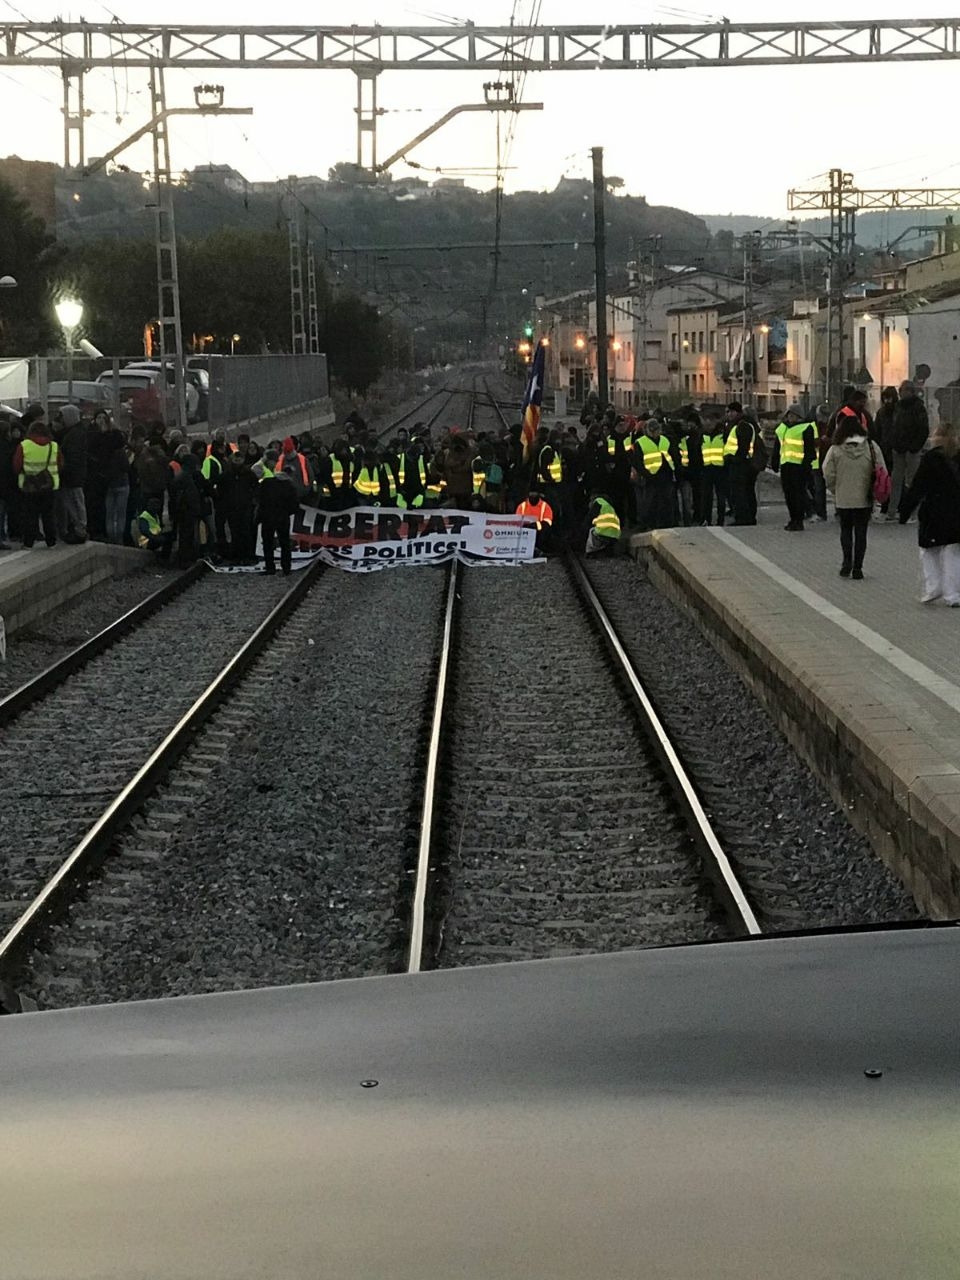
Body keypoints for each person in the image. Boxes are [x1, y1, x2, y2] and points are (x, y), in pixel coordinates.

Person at [898, 421, 960, 605]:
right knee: (953, 553)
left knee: (928, 551)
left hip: (934, 512)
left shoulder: (931, 459)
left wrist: (905, 511)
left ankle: (934, 587)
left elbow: (918, 487)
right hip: (956, 512)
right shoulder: (957, 457)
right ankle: (953, 594)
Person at [822, 413, 886, 579]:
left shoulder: (835, 449)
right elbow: (882, 470)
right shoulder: (871, 446)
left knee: (845, 530)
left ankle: (846, 563)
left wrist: (835, 489)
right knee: (861, 532)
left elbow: (827, 472)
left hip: (843, 498)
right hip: (864, 497)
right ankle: (858, 568)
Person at [12, 405, 60, 549]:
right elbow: (61, 463)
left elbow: (17, 465)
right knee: (48, 514)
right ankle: (51, 541)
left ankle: (29, 542)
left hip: (29, 485)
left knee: (30, 515)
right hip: (49, 485)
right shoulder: (53, 445)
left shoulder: (24, 445)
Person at [887, 379, 929, 520]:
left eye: (904, 391)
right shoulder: (898, 406)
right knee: (896, 481)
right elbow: (894, 426)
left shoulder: (918, 407)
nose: (901, 394)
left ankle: (914, 512)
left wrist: (915, 447)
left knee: (913, 482)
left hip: (912, 449)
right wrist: (894, 443)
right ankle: (892, 511)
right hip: (899, 449)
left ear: (910, 391)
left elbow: (923, 429)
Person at [772, 403, 816, 532]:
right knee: (788, 494)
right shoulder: (782, 428)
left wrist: (806, 465)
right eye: (789, 415)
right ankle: (793, 519)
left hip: (799, 466)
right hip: (786, 465)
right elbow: (777, 446)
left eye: (793, 415)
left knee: (798, 494)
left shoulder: (805, 428)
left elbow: (809, 450)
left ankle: (799, 520)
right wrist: (775, 461)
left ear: (799, 416)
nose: (791, 417)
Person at [257, 447, 300, 575]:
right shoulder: (287, 483)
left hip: (271, 515)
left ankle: (273, 568)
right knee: (282, 542)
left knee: (271, 542)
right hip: (280, 516)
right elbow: (294, 502)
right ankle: (285, 568)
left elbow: (260, 499)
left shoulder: (267, 480)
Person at [54, 404, 89, 543]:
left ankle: (80, 530)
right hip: (73, 475)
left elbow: (73, 457)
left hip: (72, 476)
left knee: (76, 503)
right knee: (74, 504)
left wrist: (65, 469)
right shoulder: (74, 433)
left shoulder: (75, 435)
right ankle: (78, 529)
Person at [722, 401, 760, 525]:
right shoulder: (741, 424)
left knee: (740, 492)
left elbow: (743, 445)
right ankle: (748, 517)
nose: (728, 414)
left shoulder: (742, 425)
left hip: (740, 464)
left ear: (736, 412)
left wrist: (735, 458)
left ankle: (743, 518)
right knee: (747, 491)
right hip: (743, 463)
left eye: (730, 411)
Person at [698, 414, 727, 526]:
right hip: (706, 470)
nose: (708, 424)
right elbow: (698, 453)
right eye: (706, 422)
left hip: (720, 470)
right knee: (706, 497)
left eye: (710, 422)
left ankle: (720, 520)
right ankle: (706, 519)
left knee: (721, 497)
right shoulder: (702, 436)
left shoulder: (722, 436)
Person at [515, 487, 553, 553]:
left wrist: (535, 525)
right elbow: (517, 522)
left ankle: (540, 549)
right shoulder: (522, 506)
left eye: (535, 494)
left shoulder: (545, 506)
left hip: (540, 533)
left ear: (539, 495)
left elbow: (548, 523)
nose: (533, 496)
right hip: (525, 533)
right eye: (531, 494)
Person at [585, 491, 621, 555]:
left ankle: (590, 552)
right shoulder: (609, 506)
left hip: (603, 533)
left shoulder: (597, 503)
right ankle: (608, 550)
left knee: (591, 531)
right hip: (615, 535)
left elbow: (589, 519)